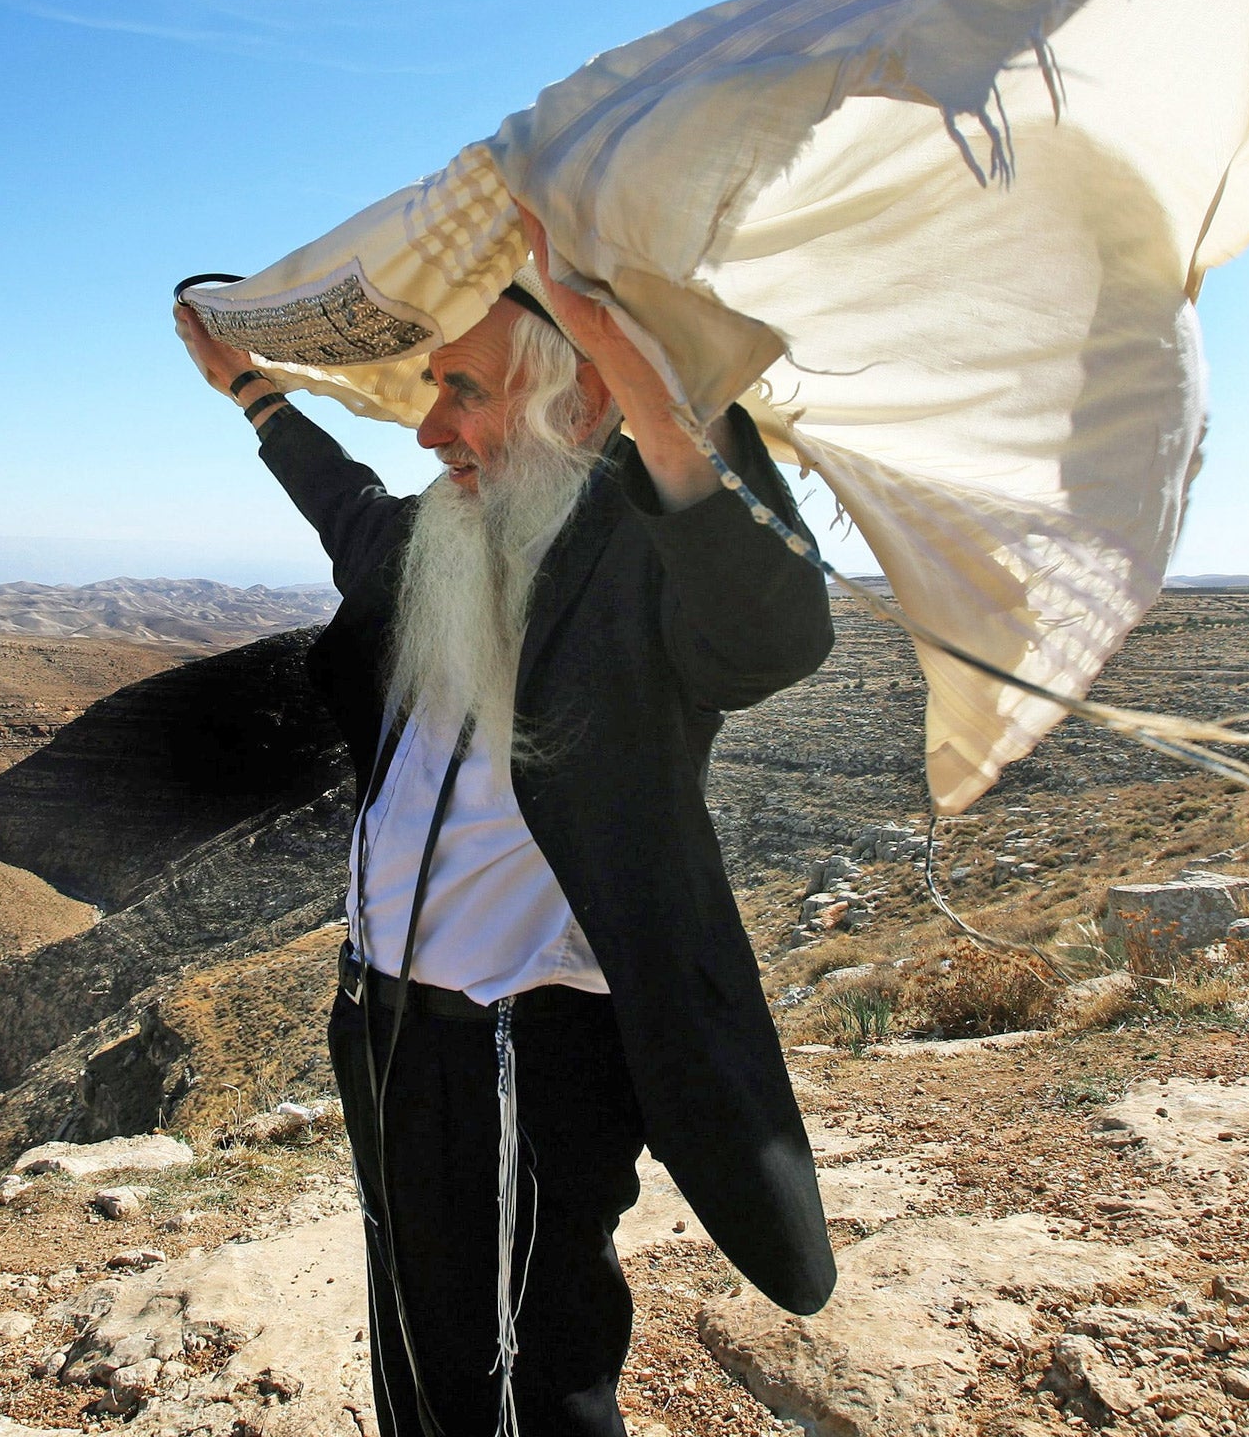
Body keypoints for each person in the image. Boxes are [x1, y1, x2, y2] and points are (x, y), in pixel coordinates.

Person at [172, 219, 835, 1437]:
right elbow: (346, 507)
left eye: (460, 390)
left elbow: (772, 634)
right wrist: (253, 394)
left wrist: (655, 390)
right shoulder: (445, 543)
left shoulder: (636, 564)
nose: (430, 428)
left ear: (578, 401)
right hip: (380, 1028)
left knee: (528, 1373)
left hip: (522, 1050)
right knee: (417, 1332)